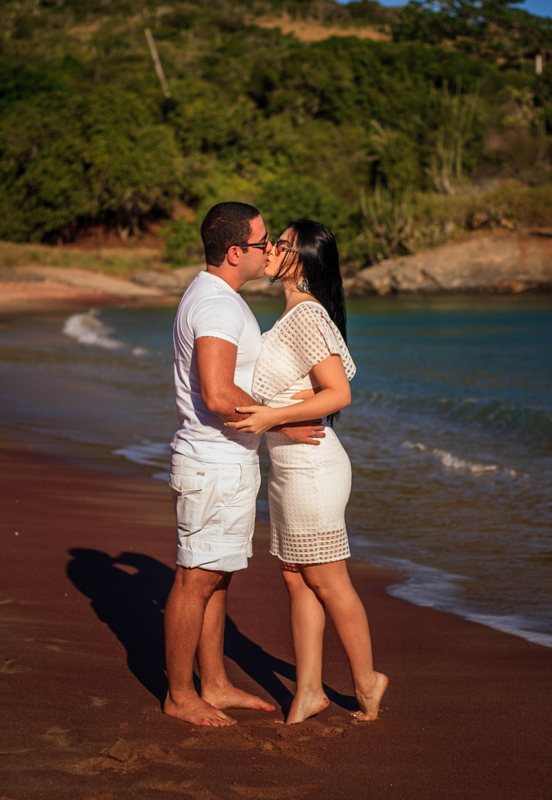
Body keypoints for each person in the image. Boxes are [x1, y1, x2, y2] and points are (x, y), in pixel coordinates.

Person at [164, 202, 323, 727]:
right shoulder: (217, 306)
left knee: (216, 576)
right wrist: (282, 423)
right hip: (214, 464)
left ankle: (213, 683)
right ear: (235, 253)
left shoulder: (216, 297)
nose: (269, 249)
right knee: (196, 579)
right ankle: (180, 694)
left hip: (223, 461)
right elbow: (217, 394)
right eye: (262, 242)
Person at [229, 220, 388, 724]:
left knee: (326, 578)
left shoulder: (306, 316)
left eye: (282, 244)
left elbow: (339, 393)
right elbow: (302, 389)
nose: (271, 249)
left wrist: (271, 417)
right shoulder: (290, 316)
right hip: (288, 466)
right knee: (296, 577)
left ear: (302, 260)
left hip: (314, 468)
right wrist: (280, 414)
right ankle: (309, 691)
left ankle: (367, 681)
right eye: (273, 241)